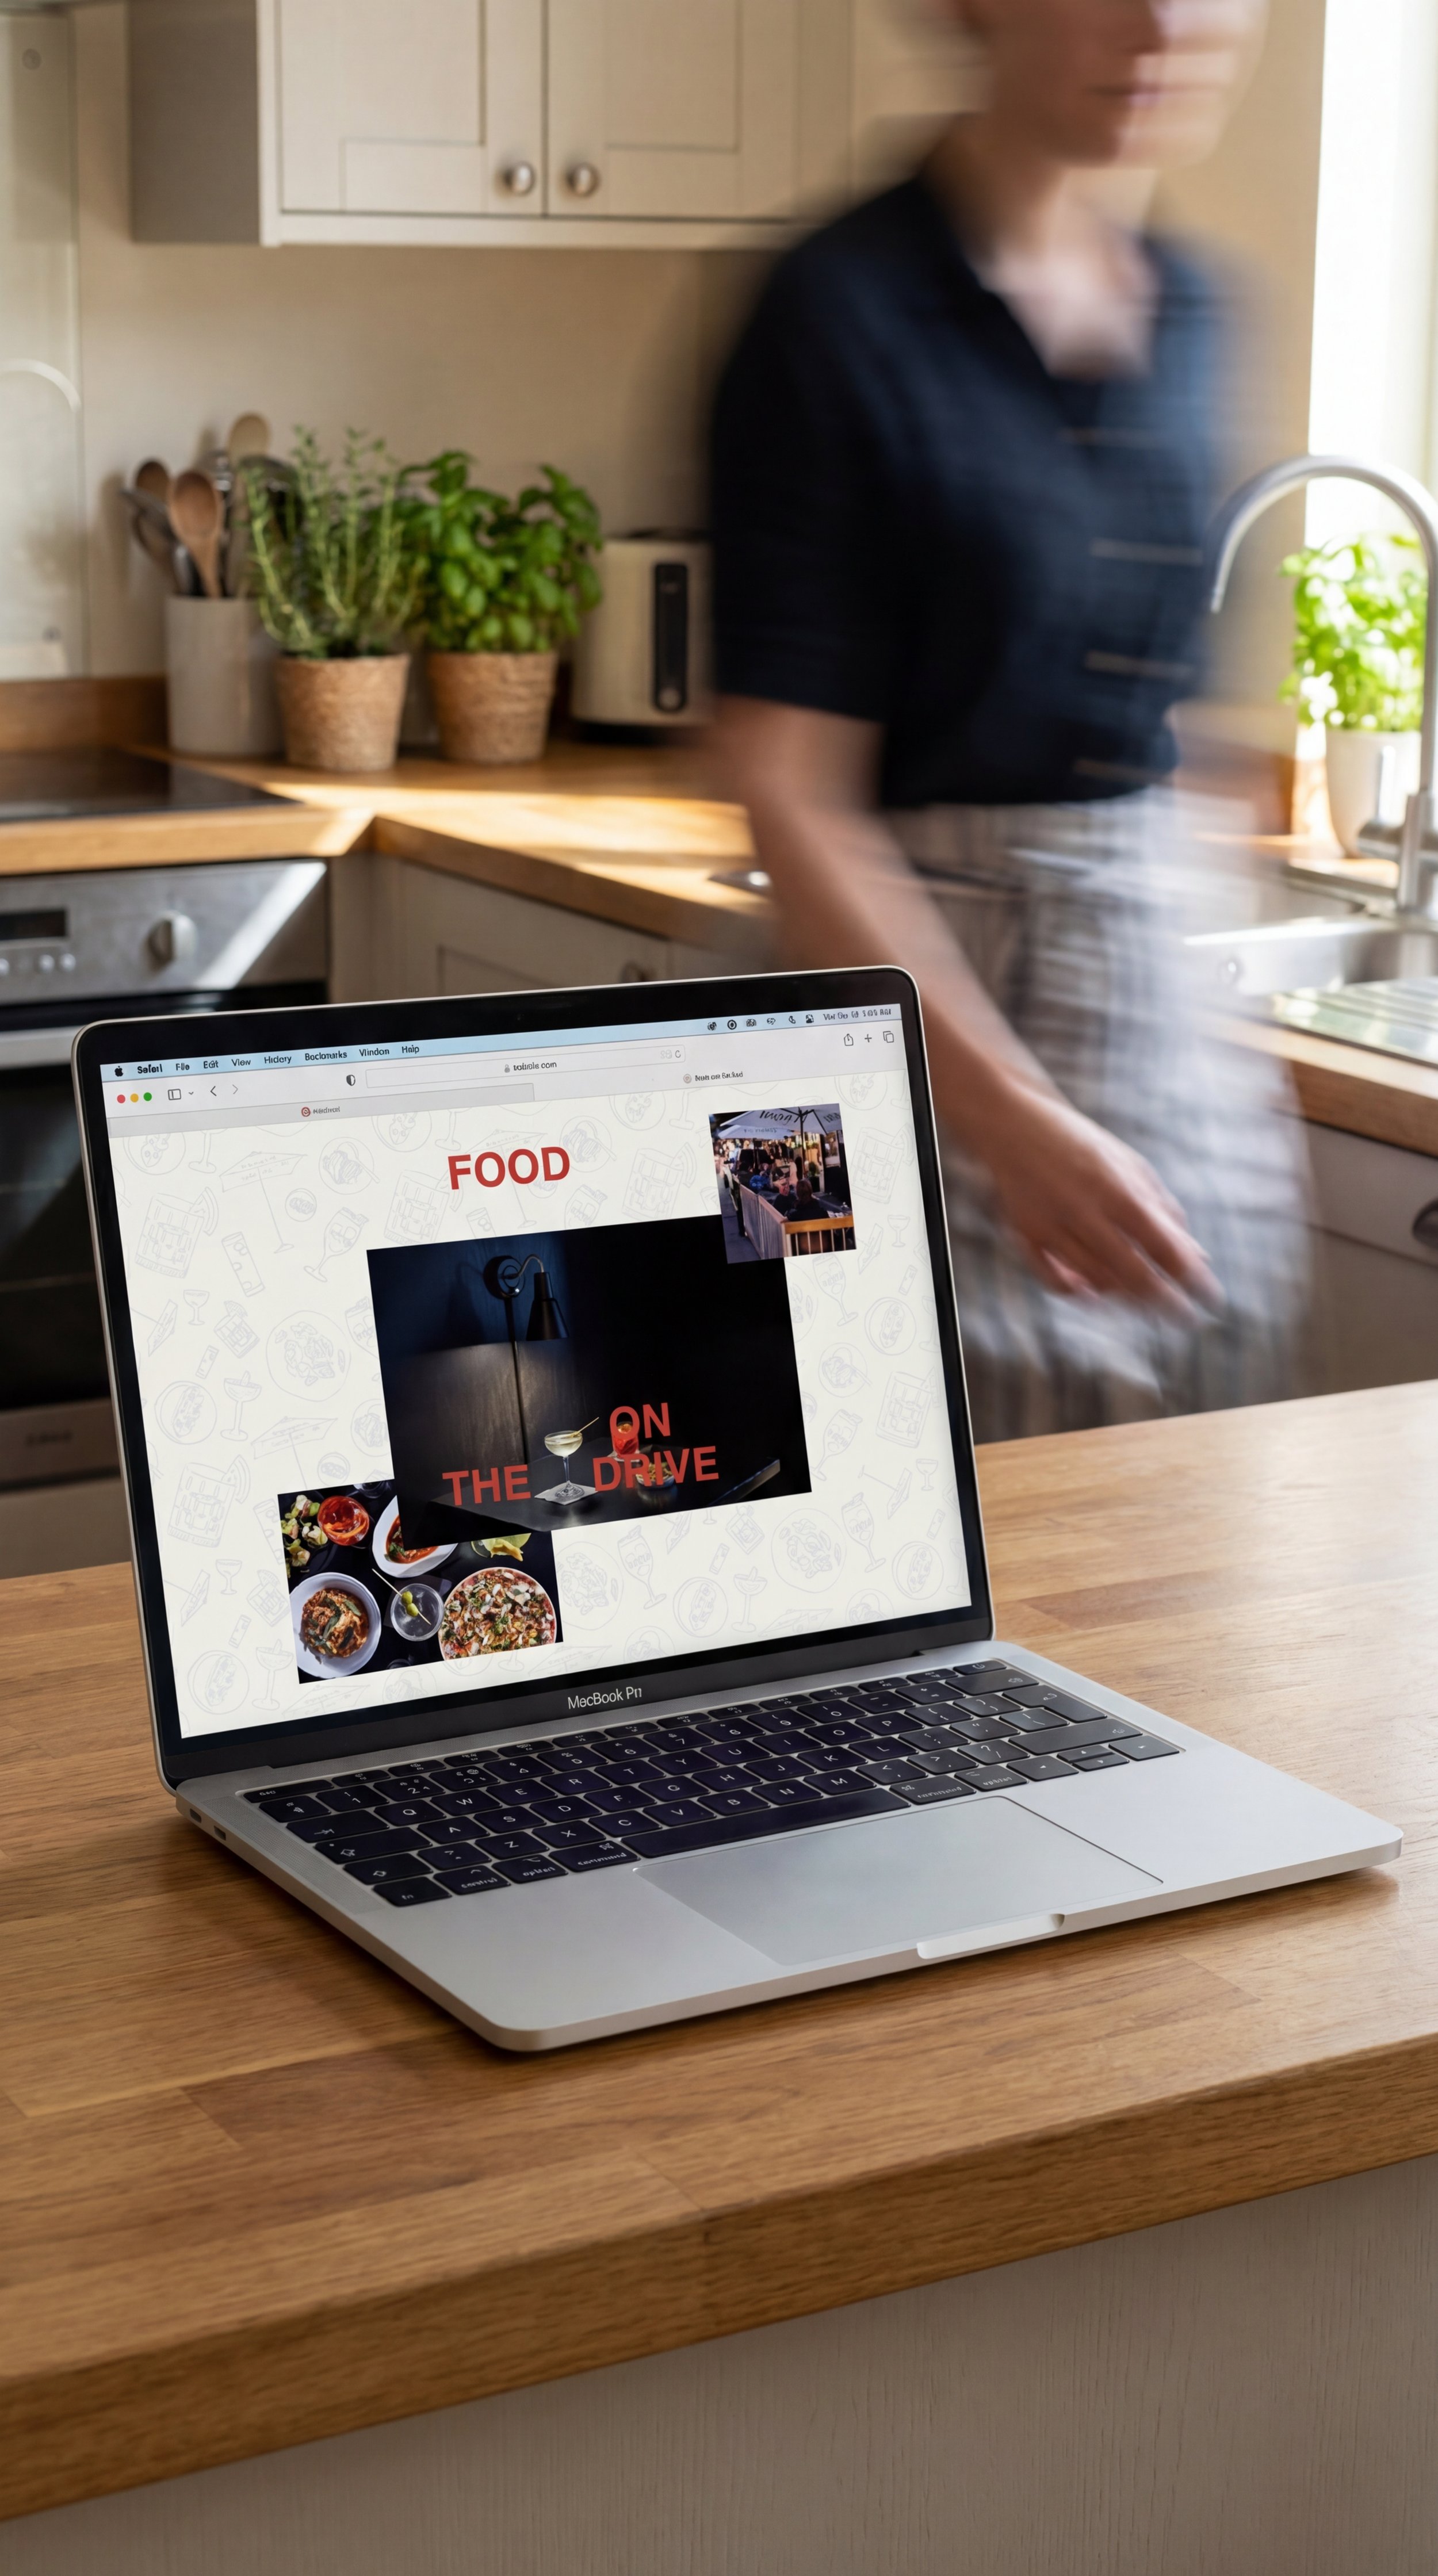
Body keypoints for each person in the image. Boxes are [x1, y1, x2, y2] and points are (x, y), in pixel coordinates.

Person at [713, 0, 1309, 1441]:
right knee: (841, 1490)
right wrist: (1005, 1125)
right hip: (869, 1024)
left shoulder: (1194, 307)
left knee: (1186, 1552)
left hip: (1145, 1033)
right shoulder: (834, 307)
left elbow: (1156, 743)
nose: (1166, 19)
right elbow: (788, 788)